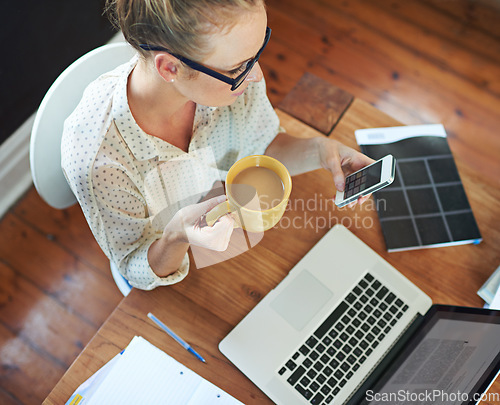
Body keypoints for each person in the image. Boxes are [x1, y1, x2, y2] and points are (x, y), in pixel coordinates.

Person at [61, 0, 373, 290]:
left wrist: (319, 151)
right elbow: (134, 262)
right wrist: (176, 235)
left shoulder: (234, 83)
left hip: (229, 234)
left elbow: (261, 147)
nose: (257, 76)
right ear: (170, 68)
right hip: (170, 272)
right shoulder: (98, 159)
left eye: (257, 52)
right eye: (238, 68)